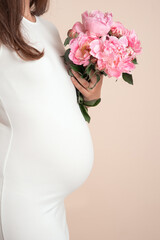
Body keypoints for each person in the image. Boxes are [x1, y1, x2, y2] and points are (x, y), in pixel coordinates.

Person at [0, 0, 103, 239]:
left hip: (53, 196)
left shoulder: (49, 29)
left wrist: (92, 95)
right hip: (24, 191)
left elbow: (55, 104)